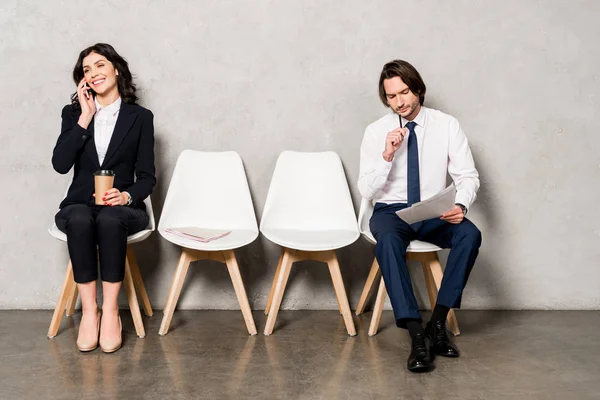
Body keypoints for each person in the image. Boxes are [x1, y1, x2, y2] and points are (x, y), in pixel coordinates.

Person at [358, 60, 482, 372]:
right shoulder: (376, 132)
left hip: (432, 210)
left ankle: (437, 325)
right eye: (391, 96)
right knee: (386, 243)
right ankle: (416, 335)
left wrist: (461, 205)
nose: (400, 102)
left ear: (418, 89)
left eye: (405, 92)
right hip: (392, 212)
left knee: (470, 234)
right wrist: (387, 155)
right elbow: (366, 189)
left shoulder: (447, 125)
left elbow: (467, 176)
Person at [52, 43, 156, 353]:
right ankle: (90, 312)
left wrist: (125, 195)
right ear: (82, 81)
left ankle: (110, 311)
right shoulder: (73, 115)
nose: (94, 73)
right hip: (79, 205)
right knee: (81, 218)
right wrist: (85, 116)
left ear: (116, 69)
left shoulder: (140, 117)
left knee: (109, 219)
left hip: (123, 209)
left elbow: (147, 178)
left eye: (99, 65)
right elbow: (60, 164)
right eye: (87, 70)